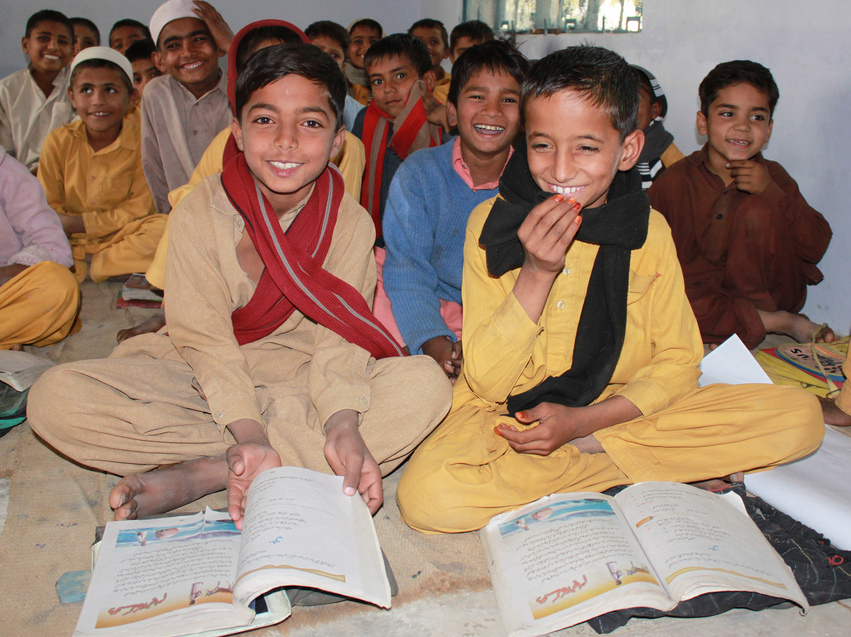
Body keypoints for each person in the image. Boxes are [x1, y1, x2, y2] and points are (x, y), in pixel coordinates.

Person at [395, 46, 824, 534]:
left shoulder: (649, 230)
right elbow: (491, 384)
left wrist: (584, 425)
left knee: (800, 417)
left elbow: (680, 361)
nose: (560, 170)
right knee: (429, 497)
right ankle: (644, 469)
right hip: (507, 413)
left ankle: (594, 461)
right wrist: (536, 272)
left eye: (586, 147)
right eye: (542, 145)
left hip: (617, 409)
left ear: (628, 151)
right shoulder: (491, 226)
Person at [27, 43, 452, 527]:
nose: (286, 141)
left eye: (311, 123)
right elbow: (203, 338)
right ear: (238, 132)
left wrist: (341, 422)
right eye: (266, 120)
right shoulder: (198, 211)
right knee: (54, 399)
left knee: (425, 387)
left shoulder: (349, 220)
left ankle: (208, 472)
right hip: (200, 377)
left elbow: (341, 341)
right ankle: (260, 456)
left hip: (306, 376)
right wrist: (248, 428)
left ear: (338, 140)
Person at [116, 20, 368, 343]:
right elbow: (192, 195)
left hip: (307, 259)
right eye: (258, 66)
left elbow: (335, 220)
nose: (274, 74)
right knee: (188, 211)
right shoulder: (228, 139)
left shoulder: (346, 149)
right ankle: (175, 308)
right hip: (229, 252)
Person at [648, 60, 833, 349]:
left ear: (769, 129)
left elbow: (816, 245)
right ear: (702, 122)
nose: (743, 126)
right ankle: (780, 323)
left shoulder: (774, 177)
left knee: (757, 211)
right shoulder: (675, 181)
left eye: (757, 118)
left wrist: (770, 192)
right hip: (701, 300)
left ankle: (744, 324)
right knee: (656, 298)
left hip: (770, 296)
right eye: (727, 113)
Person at [383, 40, 528, 378]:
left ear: (526, 118)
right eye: (477, 96)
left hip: (494, 308)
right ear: (451, 112)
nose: (492, 111)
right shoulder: (418, 173)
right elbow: (407, 268)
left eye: (509, 99)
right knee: (370, 297)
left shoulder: (534, 185)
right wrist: (433, 340)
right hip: (426, 295)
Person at [37, 47, 164, 283]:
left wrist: (82, 224)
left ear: (131, 98)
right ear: (72, 97)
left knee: (165, 228)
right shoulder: (58, 142)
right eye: (86, 90)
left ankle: (93, 266)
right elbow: (48, 208)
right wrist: (71, 228)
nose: (98, 101)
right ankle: (102, 267)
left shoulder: (143, 141)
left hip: (121, 238)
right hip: (69, 242)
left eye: (110, 90)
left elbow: (140, 207)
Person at [141, 0, 233, 214]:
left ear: (218, 46)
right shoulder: (156, 94)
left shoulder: (243, 87)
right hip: (180, 216)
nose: (188, 52)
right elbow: (153, 166)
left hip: (238, 216)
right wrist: (168, 221)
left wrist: (233, 45)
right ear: (159, 60)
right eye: (173, 45)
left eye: (199, 39)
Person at [352, 33, 442, 242]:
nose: (388, 88)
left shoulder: (444, 122)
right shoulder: (365, 121)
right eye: (377, 81)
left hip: (432, 239)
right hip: (375, 239)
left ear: (427, 79)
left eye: (400, 76)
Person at [0, 146, 79, 350]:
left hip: (6, 292)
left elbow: (52, 246)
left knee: (58, 286)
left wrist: (5, 275)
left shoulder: (8, 173)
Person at [0, 10, 75, 174]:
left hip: (69, 179)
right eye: (43, 38)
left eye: (62, 41)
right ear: (25, 45)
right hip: (17, 184)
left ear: (72, 49)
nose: (53, 47)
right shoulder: (6, 91)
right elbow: (3, 155)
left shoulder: (80, 86)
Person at [630, 64, 684, 189]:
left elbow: (685, 186)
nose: (625, 108)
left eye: (634, 100)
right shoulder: (608, 145)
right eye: (618, 100)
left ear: (654, 110)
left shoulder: (664, 149)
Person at [305, 20, 362, 131]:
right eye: (317, 50)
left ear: (343, 67)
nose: (325, 59)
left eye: (334, 55)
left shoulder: (358, 113)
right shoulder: (286, 99)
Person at [409, 19, 450, 104]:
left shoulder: (457, 85)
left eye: (433, 42)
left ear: (446, 52)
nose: (426, 46)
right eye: (418, 41)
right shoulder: (402, 84)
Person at [345, 18, 382, 106]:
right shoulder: (336, 79)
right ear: (347, 47)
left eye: (373, 41)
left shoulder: (388, 80)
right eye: (358, 41)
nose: (366, 47)